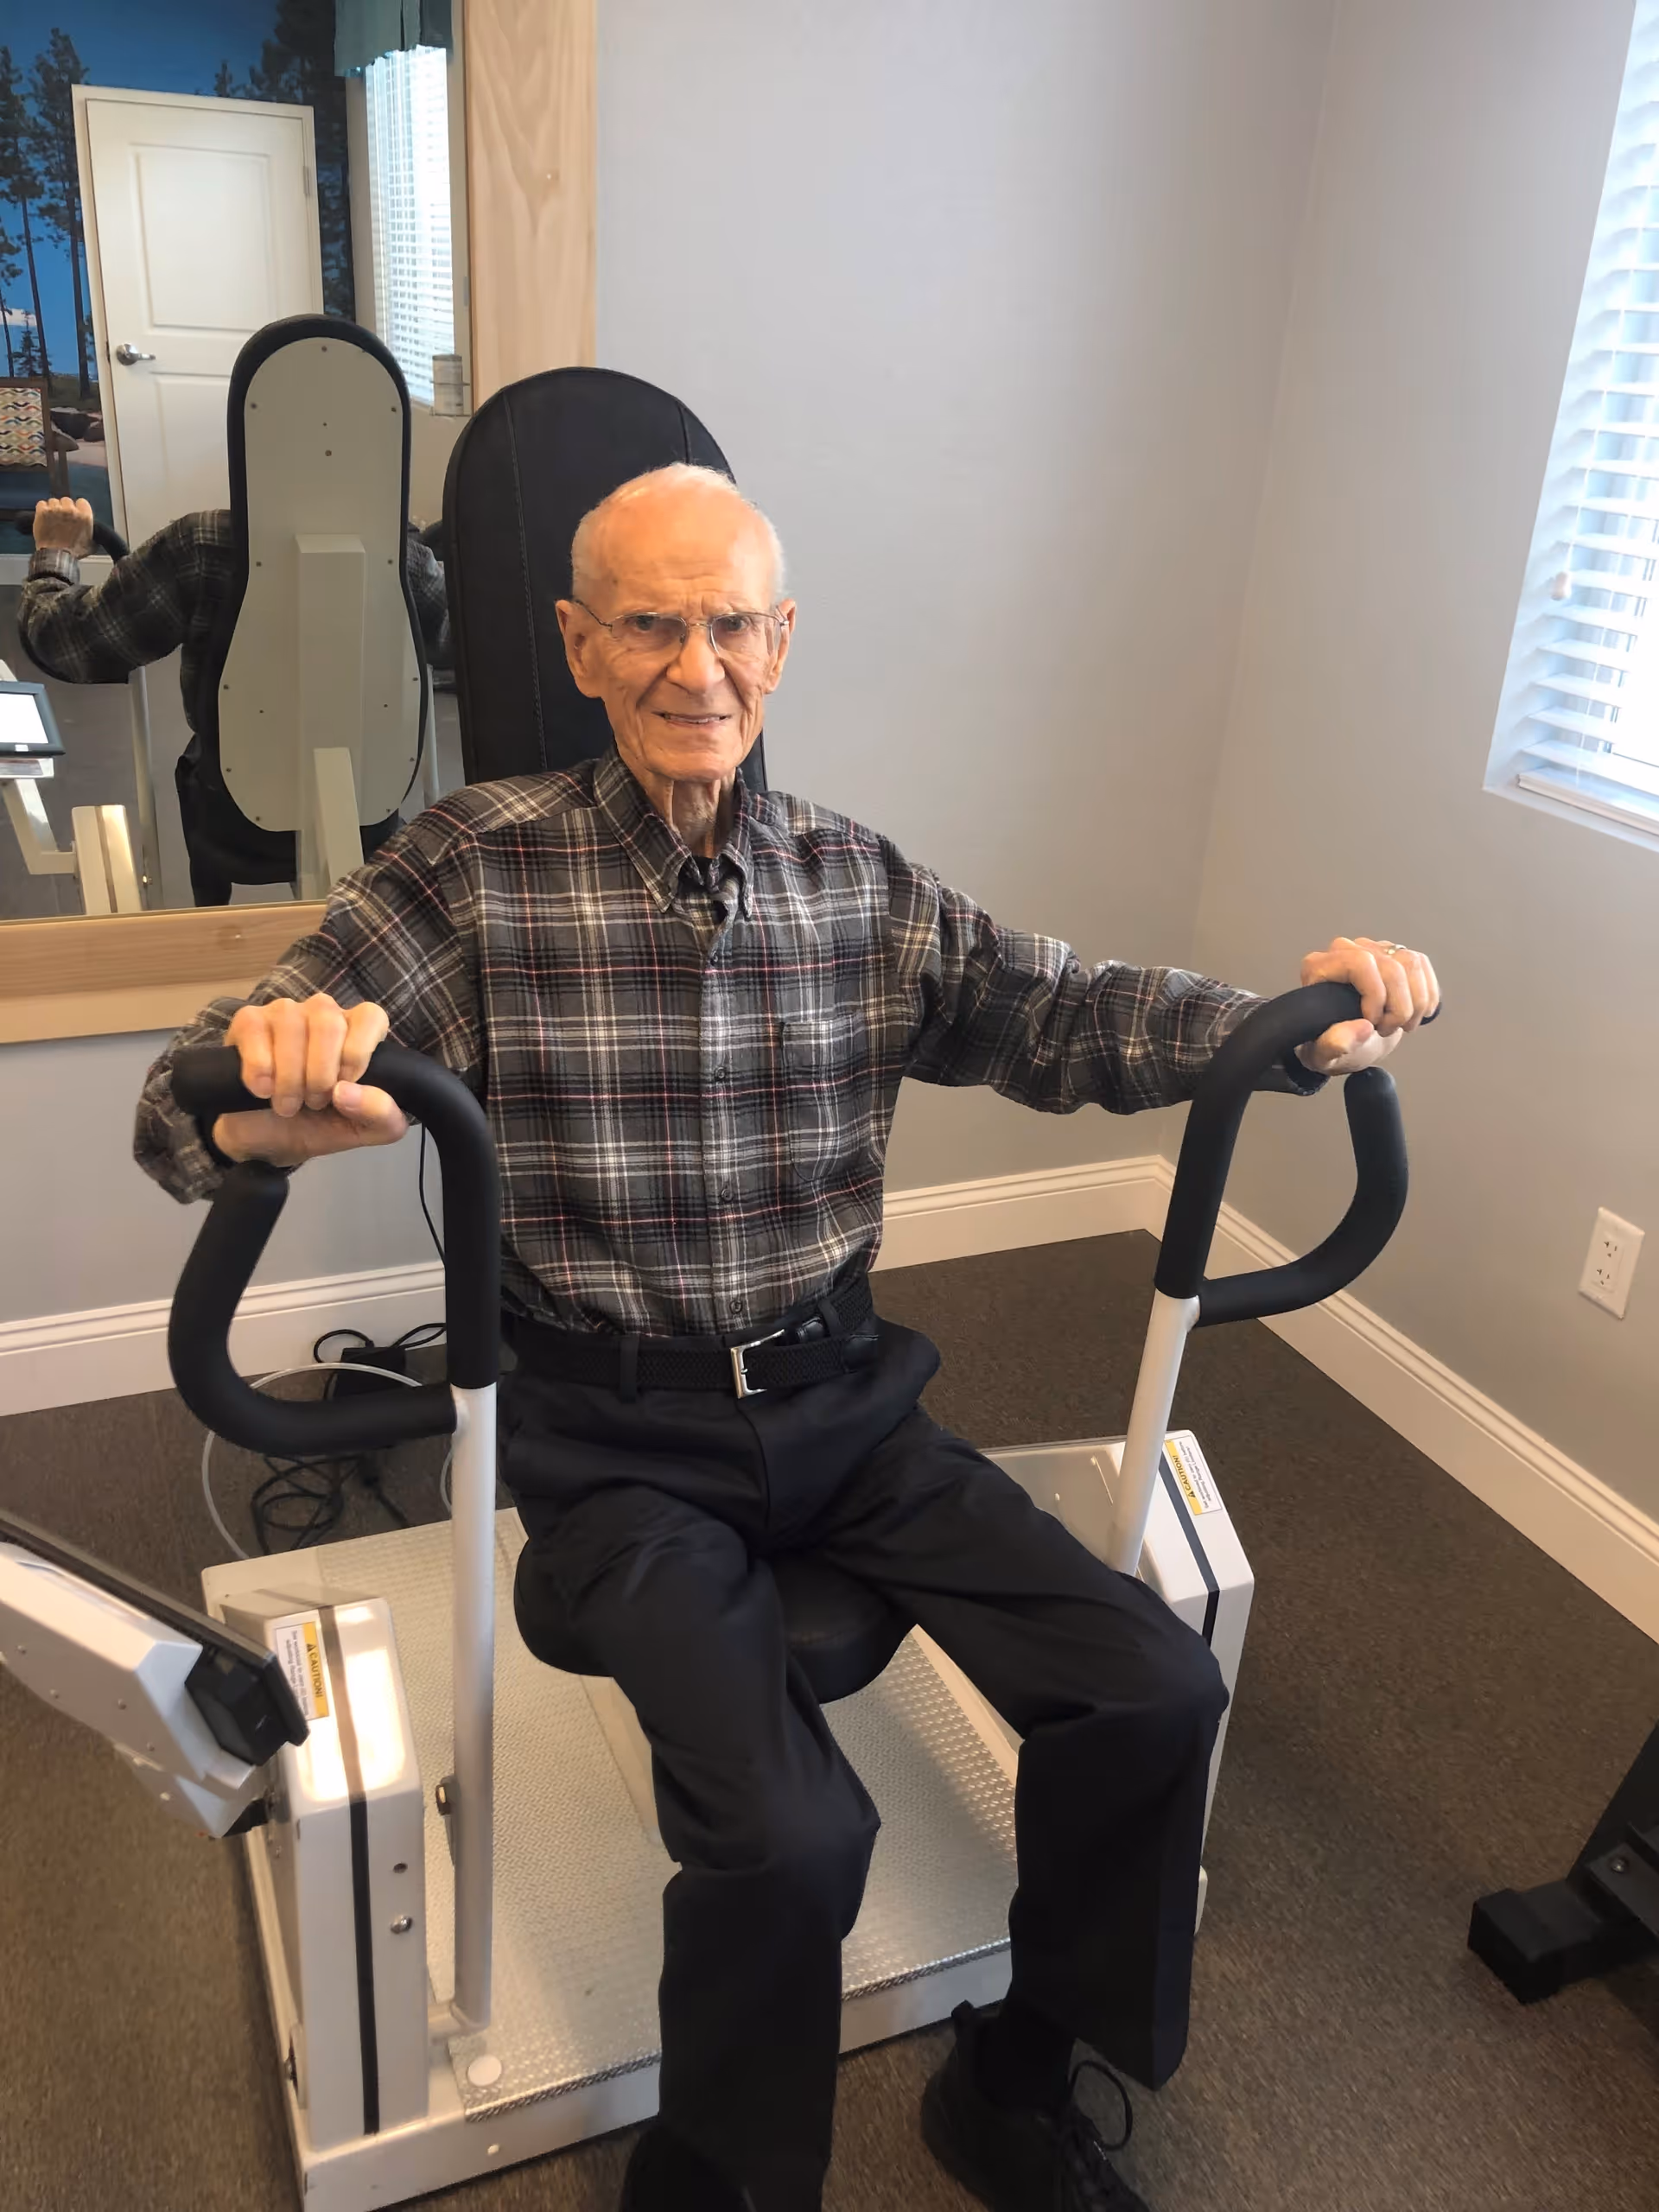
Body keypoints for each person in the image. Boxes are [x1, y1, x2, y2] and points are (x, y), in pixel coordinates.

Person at [134, 464, 1440, 2212]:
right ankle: (715, 2185)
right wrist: (263, 1088)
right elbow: (215, 1066)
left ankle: (1016, 2076)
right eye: (655, 624)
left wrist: (1299, 1025)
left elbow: (1060, 1010)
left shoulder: (855, 882)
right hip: (614, 1442)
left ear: (784, 638)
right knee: (794, 1832)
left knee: (1154, 1682)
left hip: (846, 1400)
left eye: (733, 620)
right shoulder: (475, 871)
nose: (701, 664)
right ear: (580, 647)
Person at [20, 495, 451, 904]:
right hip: (372, 812)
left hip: (234, 815)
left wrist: (55, 554)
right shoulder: (407, 560)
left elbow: (67, 644)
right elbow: (460, 643)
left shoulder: (199, 545)